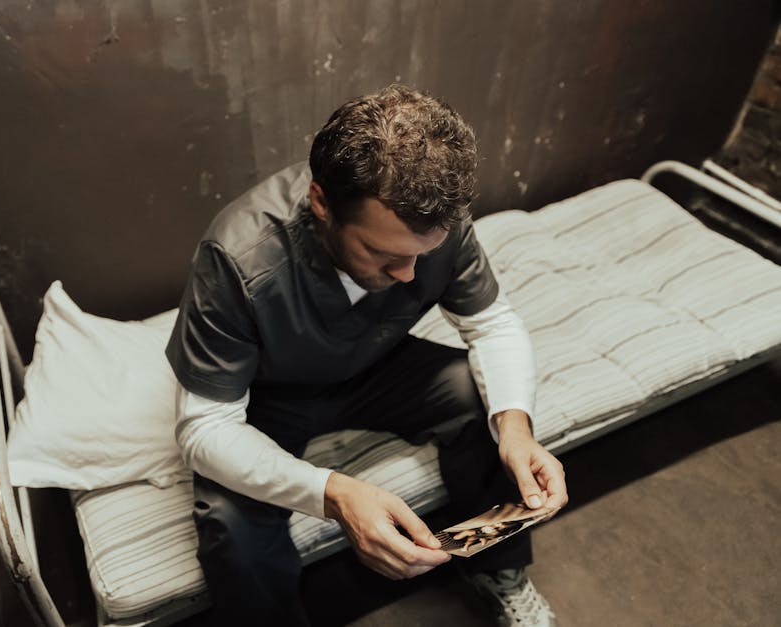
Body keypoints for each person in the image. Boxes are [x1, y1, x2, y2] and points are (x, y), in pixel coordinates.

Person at [166, 84, 568, 627]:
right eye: (382, 255)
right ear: (321, 204)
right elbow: (204, 428)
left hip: (378, 366)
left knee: (489, 410)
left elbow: (491, 323)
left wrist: (516, 428)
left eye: (420, 256)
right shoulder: (237, 259)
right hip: (269, 394)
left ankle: (496, 571)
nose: (408, 275)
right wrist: (333, 493)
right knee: (231, 525)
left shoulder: (437, 223)